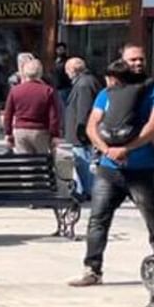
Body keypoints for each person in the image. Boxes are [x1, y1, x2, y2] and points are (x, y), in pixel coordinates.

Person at [69, 44, 154, 286]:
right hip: (109, 169)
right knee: (97, 219)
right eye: (132, 60)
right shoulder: (107, 93)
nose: (138, 63)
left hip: (141, 169)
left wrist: (127, 148)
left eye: (141, 59)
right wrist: (108, 151)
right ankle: (92, 270)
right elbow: (93, 125)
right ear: (122, 62)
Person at [1, 58, 60, 155]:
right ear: (40, 73)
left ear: (24, 73)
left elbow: (8, 114)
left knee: (25, 164)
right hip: (41, 131)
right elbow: (53, 116)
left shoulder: (15, 90)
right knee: (41, 163)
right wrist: (55, 135)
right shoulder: (48, 91)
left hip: (20, 130)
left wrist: (8, 133)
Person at [63, 57, 100, 201]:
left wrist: (81, 130)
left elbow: (83, 110)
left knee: (83, 161)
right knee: (83, 161)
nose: (67, 74)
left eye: (67, 71)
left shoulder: (84, 84)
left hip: (81, 132)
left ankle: (87, 190)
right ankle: (85, 188)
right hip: (81, 131)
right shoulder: (86, 81)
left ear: (72, 70)